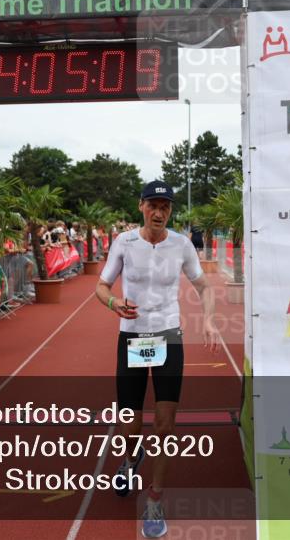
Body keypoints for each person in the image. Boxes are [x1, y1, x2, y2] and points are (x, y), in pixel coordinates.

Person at [95, 180, 219, 539]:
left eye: (166, 206)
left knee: (164, 424)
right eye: (154, 205)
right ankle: (131, 458)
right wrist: (113, 303)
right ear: (141, 207)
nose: (160, 212)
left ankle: (154, 499)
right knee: (129, 425)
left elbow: (204, 287)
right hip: (132, 336)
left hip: (167, 335)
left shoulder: (181, 245)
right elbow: (101, 287)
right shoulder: (124, 243)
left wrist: (209, 320)